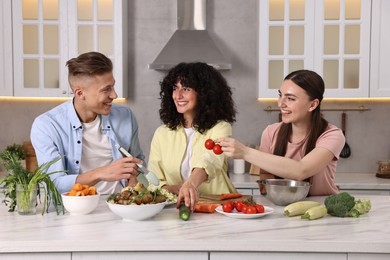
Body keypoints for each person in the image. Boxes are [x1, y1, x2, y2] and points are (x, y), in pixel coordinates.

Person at [30, 52, 144, 195]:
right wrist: (101, 173)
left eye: (113, 87)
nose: (114, 95)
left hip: (120, 205)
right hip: (75, 210)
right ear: (80, 93)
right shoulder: (46, 126)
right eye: (106, 89)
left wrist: (134, 178)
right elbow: (54, 184)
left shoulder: (125, 116)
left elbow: (137, 163)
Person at [218, 69, 345, 196]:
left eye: (290, 98)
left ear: (312, 105)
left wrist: (245, 152)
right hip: (282, 205)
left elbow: (302, 170)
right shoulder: (271, 132)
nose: (280, 103)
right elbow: (266, 176)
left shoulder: (332, 135)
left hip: (322, 209)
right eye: (280, 95)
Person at [148, 62, 237, 210]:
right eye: (175, 88)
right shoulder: (161, 133)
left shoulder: (220, 127)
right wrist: (172, 189)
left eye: (186, 89)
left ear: (204, 93)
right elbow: (153, 179)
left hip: (219, 209)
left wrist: (191, 183)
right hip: (176, 209)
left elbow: (211, 159)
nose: (178, 95)